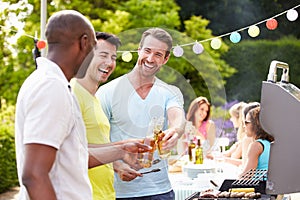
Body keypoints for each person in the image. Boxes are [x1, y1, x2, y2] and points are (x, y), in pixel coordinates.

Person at [15, 10, 150, 200]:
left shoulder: (54, 83)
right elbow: (34, 175)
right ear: (84, 42)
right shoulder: (51, 86)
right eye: (94, 48)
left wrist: (121, 149)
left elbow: (73, 157)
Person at [96, 28, 186, 200]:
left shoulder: (169, 92)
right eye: (147, 51)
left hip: (160, 192)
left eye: (158, 54)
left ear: (166, 59)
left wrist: (175, 131)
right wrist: (117, 165)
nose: (151, 59)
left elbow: (177, 118)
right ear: (139, 50)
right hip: (119, 193)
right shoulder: (108, 92)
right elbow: (96, 142)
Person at [239, 106, 274, 177]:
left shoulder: (256, 146)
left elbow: (246, 178)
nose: (244, 126)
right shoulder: (269, 143)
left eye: (246, 122)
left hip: (257, 187)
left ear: (256, 124)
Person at [223, 102, 258, 166]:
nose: (231, 119)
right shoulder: (245, 137)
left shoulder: (248, 138)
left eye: (232, 116)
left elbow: (244, 164)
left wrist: (223, 159)